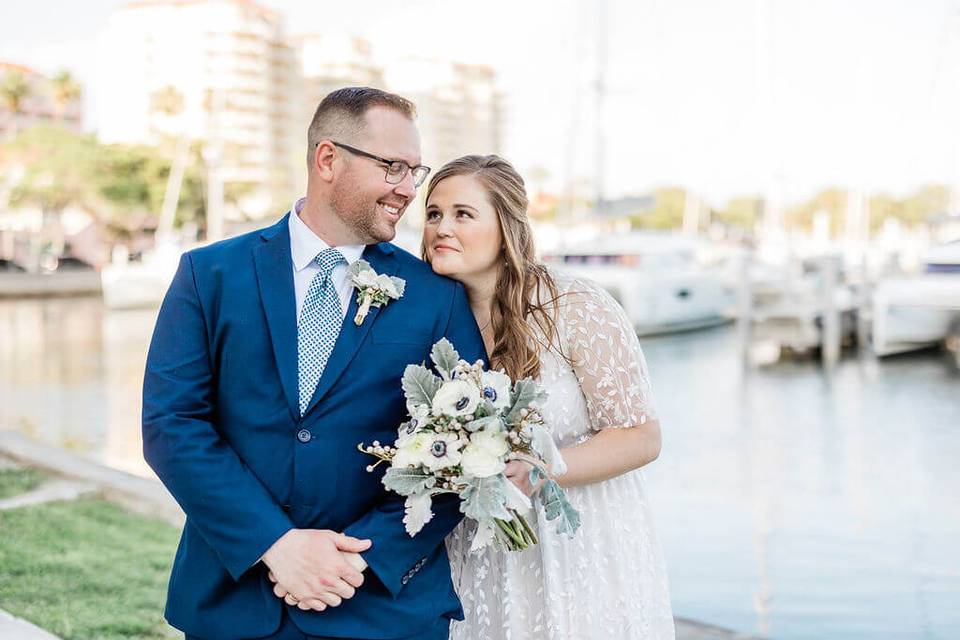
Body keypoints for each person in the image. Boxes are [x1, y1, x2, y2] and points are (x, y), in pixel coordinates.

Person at [142, 87, 485, 640]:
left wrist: (352, 562)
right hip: (234, 602)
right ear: (328, 159)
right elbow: (171, 426)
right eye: (394, 167)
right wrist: (275, 545)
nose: (407, 190)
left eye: (414, 173)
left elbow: (467, 446)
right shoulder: (209, 275)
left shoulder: (436, 296)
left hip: (381, 605)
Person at [422, 155, 675, 640]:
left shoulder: (575, 307)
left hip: (577, 547)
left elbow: (642, 436)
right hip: (482, 556)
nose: (441, 227)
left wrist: (544, 466)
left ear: (506, 227)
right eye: (433, 213)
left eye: (462, 214)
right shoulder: (430, 324)